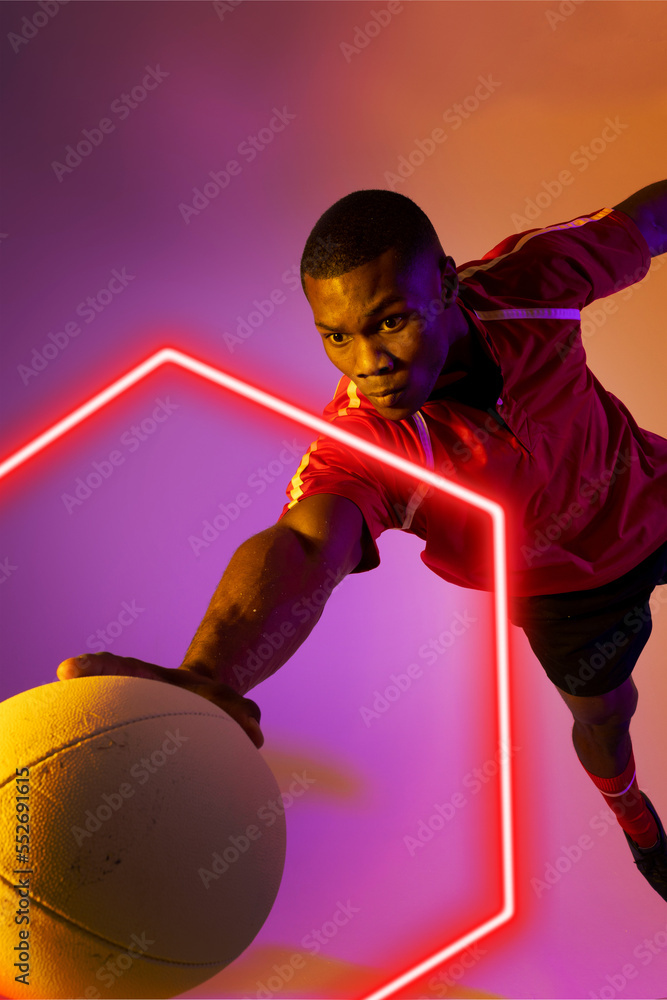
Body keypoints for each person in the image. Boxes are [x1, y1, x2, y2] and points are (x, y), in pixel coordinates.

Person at [58, 181, 667, 900]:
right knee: (604, 717)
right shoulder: (364, 443)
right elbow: (309, 547)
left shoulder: (530, 283)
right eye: (337, 336)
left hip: (651, 490)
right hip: (568, 595)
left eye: (389, 321)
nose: (368, 361)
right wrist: (209, 678)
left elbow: (645, 218)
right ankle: (638, 829)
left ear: (443, 284)